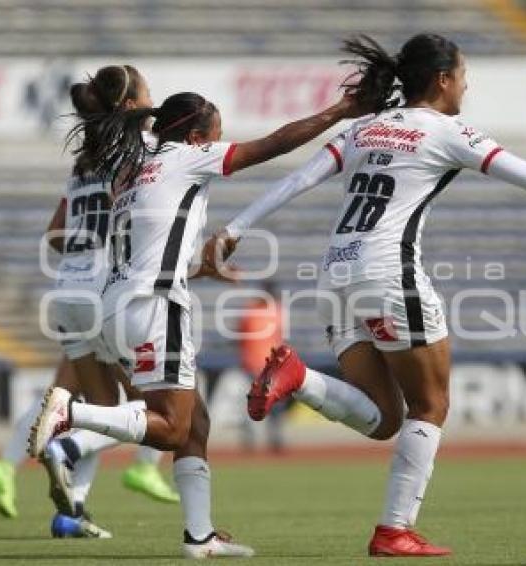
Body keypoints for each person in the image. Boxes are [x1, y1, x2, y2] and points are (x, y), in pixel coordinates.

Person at [203, 33, 526, 558]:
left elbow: (297, 182)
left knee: (384, 418)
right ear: (442, 79)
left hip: (335, 276)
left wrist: (233, 229)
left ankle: (299, 378)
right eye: (463, 75)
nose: (466, 84)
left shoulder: (363, 128)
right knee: (432, 402)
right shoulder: (447, 131)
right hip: (389, 275)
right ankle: (394, 529)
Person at [29, 86, 365, 557]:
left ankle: (199, 537)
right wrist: (342, 110)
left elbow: (152, 246)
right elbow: (275, 144)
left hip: (120, 306)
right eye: (215, 137)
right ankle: (70, 416)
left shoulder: (131, 170)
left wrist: (198, 267)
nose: (219, 143)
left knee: (196, 422)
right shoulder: (186, 158)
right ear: (193, 136)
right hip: (155, 306)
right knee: (170, 426)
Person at [0, 65, 177, 534]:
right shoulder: (139, 152)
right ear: (131, 103)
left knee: (100, 402)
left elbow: (53, 235)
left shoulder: (84, 159)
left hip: (66, 287)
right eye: (148, 92)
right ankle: (80, 451)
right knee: (151, 409)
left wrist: (84, 242)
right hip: (106, 289)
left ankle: (72, 514)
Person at [237, 280, 287, 452]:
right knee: (256, 403)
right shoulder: (257, 312)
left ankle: (274, 438)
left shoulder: (272, 311)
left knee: (272, 404)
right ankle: (253, 439)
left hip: (269, 365)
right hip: (254, 364)